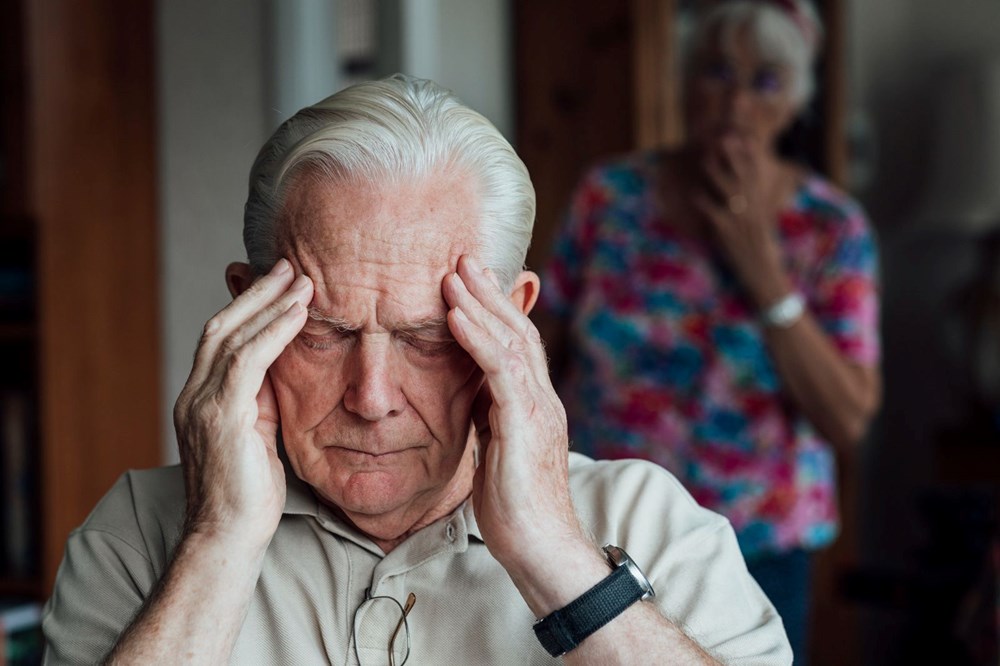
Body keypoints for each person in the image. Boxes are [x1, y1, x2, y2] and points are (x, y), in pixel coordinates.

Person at [41, 74, 790, 665]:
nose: (372, 399)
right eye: (326, 333)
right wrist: (218, 543)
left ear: (513, 322)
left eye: (427, 340)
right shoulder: (140, 533)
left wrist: (554, 553)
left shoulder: (650, 523)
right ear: (246, 314)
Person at [533, 1, 880, 663]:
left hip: (760, 544)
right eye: (717, 72)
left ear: (797, 103)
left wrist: (762, 269)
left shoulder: (831, 229)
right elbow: (540, 347)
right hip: (603, 524)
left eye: (766, 80)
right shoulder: (610, 197)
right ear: (684, 83)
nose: (735, 100)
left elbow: (848, 417)